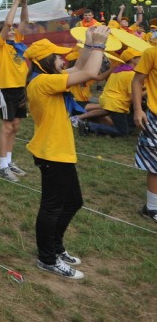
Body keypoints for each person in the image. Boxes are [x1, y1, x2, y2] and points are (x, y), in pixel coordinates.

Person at [23, 25, 109, 280]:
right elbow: (90, 72)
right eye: (59, 57)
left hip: (59, 151)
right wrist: (99, 45)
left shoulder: (47, 79)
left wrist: (89, 41)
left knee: (73, 202)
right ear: (45, 61)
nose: (64, 60)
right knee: (51, 207)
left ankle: (56, 248)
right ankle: (47, 259)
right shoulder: (44, 82)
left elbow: (80, 67)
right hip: (52, 153)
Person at [0, 0, 31, 182]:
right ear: (1, 34)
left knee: (15, 125)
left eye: (14, 30)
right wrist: (15, 1)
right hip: (6, 90)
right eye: (9, 30)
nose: (13, 30)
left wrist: (24, 3)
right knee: (6, 127)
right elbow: (8, 22)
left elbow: (24, 21)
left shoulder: (18, 43)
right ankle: (2, 165)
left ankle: (9, 160)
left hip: (20, 89)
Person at [132, 45, 157, 222]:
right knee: (155, 164)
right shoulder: (151, 52)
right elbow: (137, 81)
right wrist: (138, 109)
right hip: (155, 117)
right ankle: (152, 207)